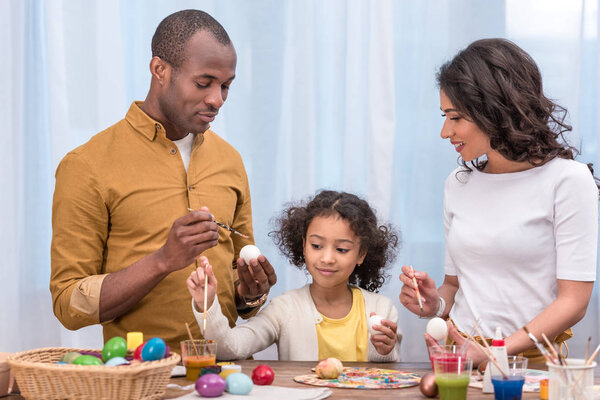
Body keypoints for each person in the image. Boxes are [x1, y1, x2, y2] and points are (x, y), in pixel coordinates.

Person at [50, 9, 277, 351]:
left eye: (226, 86)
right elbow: (68, 304)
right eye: (203, 83)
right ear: (160, 70)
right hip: (139, 378)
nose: (216, 99)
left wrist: (251, 294)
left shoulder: (230, 160)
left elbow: (239, 298)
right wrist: (162, 260)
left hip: (227, 375)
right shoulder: (86, 165)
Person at [399, 38, 598, 365]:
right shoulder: (457, 184)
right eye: (444, 116)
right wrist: (434, 305)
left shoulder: (568, 181)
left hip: (530, 365)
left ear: (494, 110)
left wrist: (497, 352)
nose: (444, 132)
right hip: (460, 359)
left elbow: (574, 302)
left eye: (455, 117)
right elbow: (455, 286)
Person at [186, 190, 402, 361]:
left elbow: (387, 373)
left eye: (342, 249)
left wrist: (384, 351)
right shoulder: (284, 309)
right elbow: (229, 348)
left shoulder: (382, 309)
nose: (327, 258)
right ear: (303, 245)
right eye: (317, 245)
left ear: (361, 254)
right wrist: (208, 304)